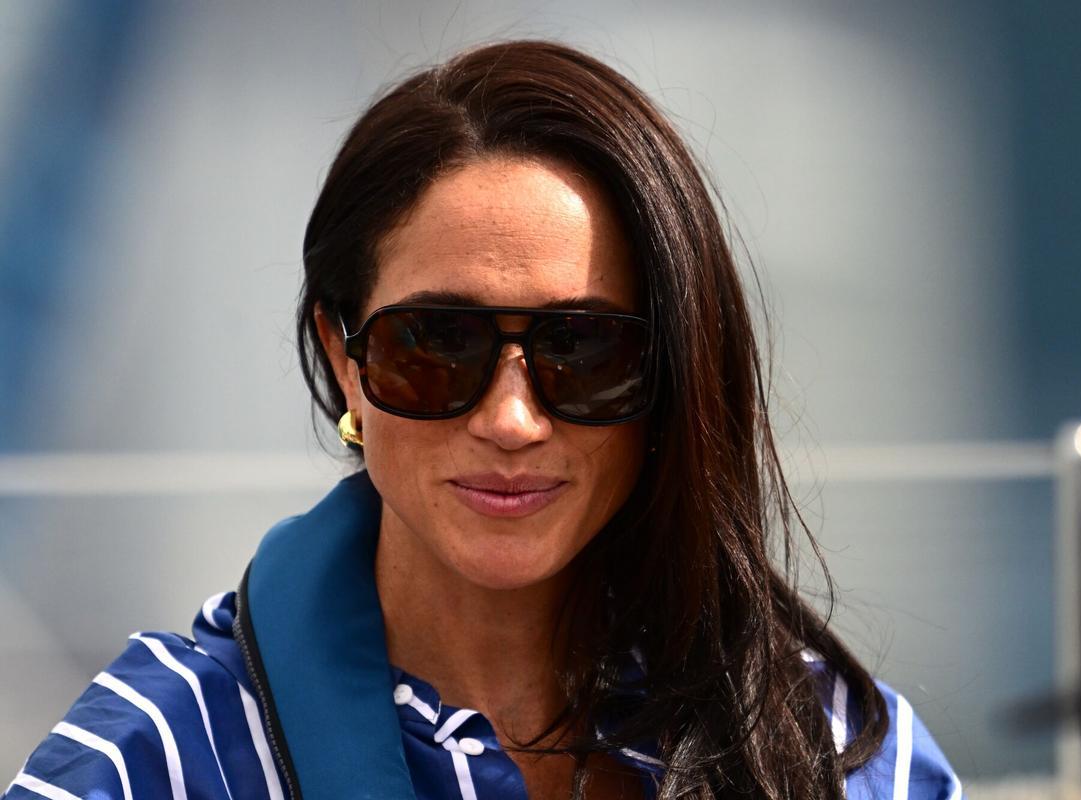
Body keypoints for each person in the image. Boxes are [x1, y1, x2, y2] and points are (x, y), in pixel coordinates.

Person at [3, 40, 961, 799]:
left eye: (584, 351)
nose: (510, 419)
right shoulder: (154, 760)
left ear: (670, 376)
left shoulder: (833, 751)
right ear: (342, 355)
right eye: (436, 344)